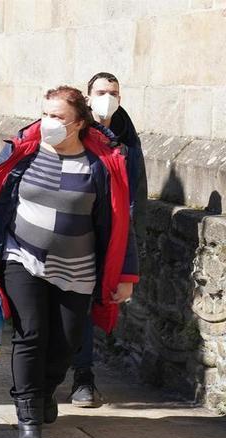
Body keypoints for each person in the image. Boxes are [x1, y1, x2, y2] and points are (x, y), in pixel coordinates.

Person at [0, 85, 139, 438]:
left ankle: (44, 390)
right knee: (30, 333)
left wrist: (126, 273)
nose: (48, 123)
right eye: (45, 114)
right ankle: (28, 418)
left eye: (57, 116)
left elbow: (119, 220)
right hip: (22, 257)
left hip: (76, 266)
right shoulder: (21, 152)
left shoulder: (102, 163)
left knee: (68, 339)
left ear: (79, 122)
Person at [70, 72, 148, 408]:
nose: (108, 98)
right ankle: (48, 376)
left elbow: (134, 194)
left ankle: (83, 377)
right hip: (71, 231)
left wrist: (127, 257)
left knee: (87, 306)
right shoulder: (73, 128)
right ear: (87, 97)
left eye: (113, 92)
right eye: (101, 92)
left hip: (107, 234)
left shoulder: (126, 136)